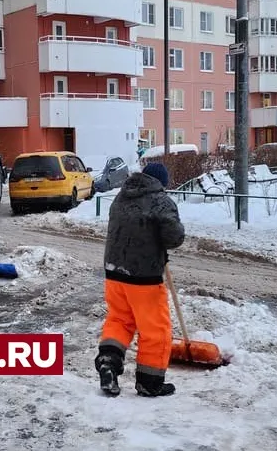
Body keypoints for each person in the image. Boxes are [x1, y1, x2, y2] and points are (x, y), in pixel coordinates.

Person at [94, 162, 185, 398]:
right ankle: (150, 382)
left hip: (114, 271)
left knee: (119, 320)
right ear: (161, 182)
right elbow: (174, 238)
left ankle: (108, 363)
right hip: (143, 276)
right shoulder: (161, 201)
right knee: (155, 329)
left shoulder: (121, 197)